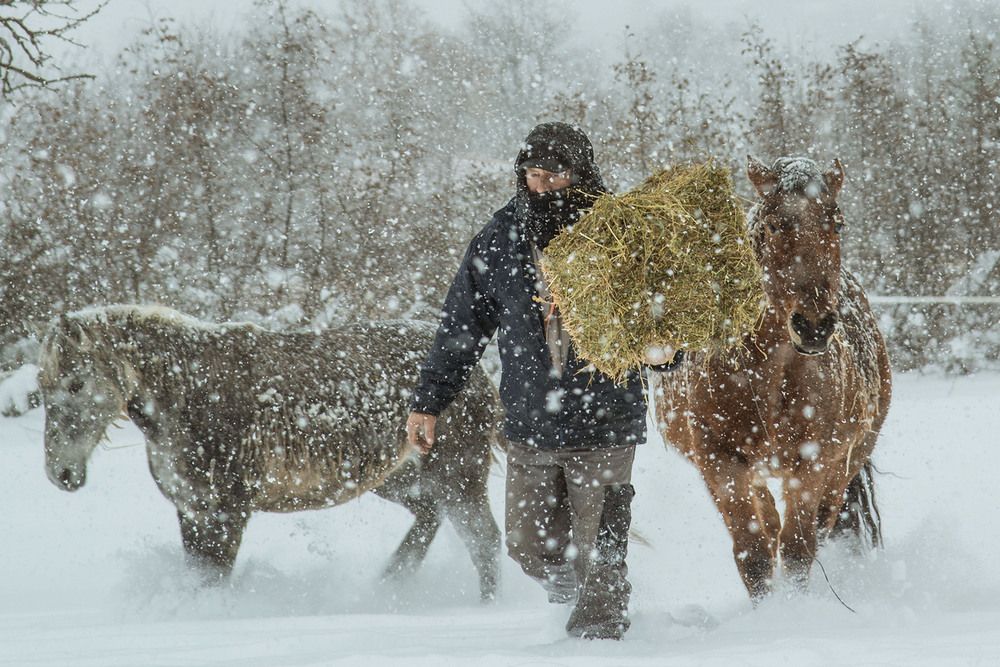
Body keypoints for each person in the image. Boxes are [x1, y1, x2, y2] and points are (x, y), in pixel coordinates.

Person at [406, 122, 681, 640]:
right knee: (528, 547)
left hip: (606, 421)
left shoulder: (622, 233)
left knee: (601, 553)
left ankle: (599, 637)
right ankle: (569, 602)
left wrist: (666, 351)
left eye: (555, 177)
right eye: (534, 176)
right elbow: (462, 328)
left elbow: (663, 319)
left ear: (581, 175)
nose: (543, 187)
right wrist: (429, 402)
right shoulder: (500, 238)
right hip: (531, 424)